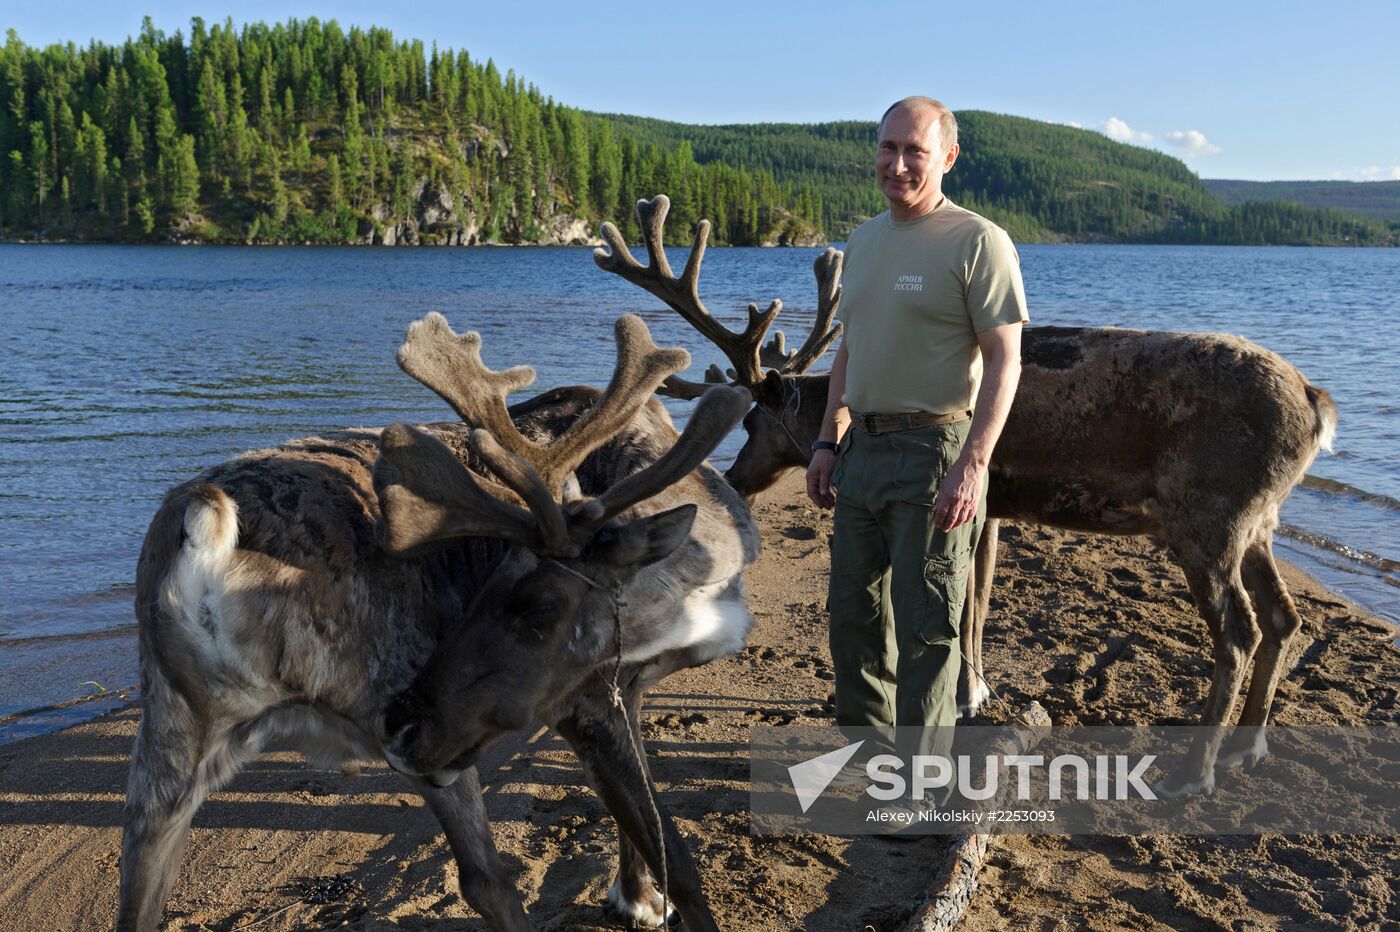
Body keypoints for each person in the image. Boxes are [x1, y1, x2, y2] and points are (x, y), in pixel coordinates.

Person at [806, 96, 1027, 800]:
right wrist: (826, 440)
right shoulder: (865, 241)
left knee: (929, 627)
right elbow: (851, 348)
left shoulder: (977, 241)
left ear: (947, 158)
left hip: (937, 449)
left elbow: (1005, 361)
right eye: (887, 148)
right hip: (863, 450)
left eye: (914, 151)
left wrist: (974, 463)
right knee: (854, 617)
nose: (897, 164)